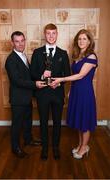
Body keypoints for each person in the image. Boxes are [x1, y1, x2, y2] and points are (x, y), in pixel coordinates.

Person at [52, 29, 98, 159]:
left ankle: (84, 147)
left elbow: (81, 75)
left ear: (89, 41)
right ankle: (80, 144)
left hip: (85, 93)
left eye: (84, 39)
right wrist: (71, 90)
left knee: (85, 122)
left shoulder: (92, 56)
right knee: (79, 121)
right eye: (79, 39)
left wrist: (61, 79)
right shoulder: (78, 56)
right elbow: (75, 77)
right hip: (77, 91)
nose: (81, 41)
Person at [30, 23, 71, 160]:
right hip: (42, 94)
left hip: (57, 94)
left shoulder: (63, 54)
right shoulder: (37, 52)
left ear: (57, 34)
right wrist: (42, 75)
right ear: (44, 34)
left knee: (57, 122)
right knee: (43, 122)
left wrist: (58, 82)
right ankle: (45, 148)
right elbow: (32, 73)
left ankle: (55, 147)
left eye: (53, 33)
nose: (51, 36)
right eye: (48, 33)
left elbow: (67, 75)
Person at [5, 31, 46, 158]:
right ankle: (15, 147)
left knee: (27, 121)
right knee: (17, 124)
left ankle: (28, 140)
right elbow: (17, 80)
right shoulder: (11, 60)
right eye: (17, 41)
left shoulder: (23, 56)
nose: (20, 44)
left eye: (22, 40)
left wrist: (42, 76)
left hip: (26, 97)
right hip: (18, 99)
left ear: (25, 40)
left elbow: (28, 75)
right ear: (12, 43)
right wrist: (35, 85)